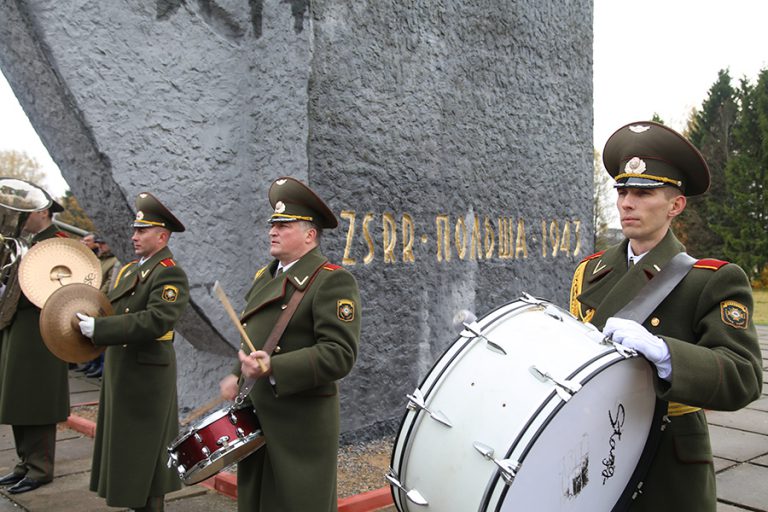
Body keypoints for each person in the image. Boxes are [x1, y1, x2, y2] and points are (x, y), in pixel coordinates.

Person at [569, 121, 763, 511]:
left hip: (667, 458)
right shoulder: (589, 272)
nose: (626, 202)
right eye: (623, 191)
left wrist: (665, 354)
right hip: (593, 444)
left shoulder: (711, 279)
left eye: (643, 192)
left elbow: (744, 376)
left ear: (675, 205)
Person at [219, 177, 361, 512]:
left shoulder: (331, 280)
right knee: (258, 501)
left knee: (296, 503)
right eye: (273, 224)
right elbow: (252, 336)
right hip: (258, 414)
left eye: (284, 225)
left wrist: (273, 368)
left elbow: (340, 355)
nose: (273, 231)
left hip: (300, 423)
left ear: (310, 234)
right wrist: (235, 373)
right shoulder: (265, 276)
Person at [76, 192, 189, 512]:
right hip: (123, 369)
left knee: (146, 448)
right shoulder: (130, 270)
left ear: (162, 236)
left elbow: (157, 320)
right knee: (126, 445)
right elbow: (111, 308)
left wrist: (102, 330)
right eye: (135, 230)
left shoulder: (169, 272)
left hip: (147, 374)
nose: (134, 236)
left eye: (142, 231)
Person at [0, 196, 70, 494]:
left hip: (41, 330)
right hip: (18, 325)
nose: (20, 218)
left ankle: (40, 468)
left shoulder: (57, 242)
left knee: (37, 400)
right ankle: (25, 462)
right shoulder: (27, 242)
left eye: (26, 212)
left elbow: (61, 288)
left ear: (43, 211)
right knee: (18, 399)